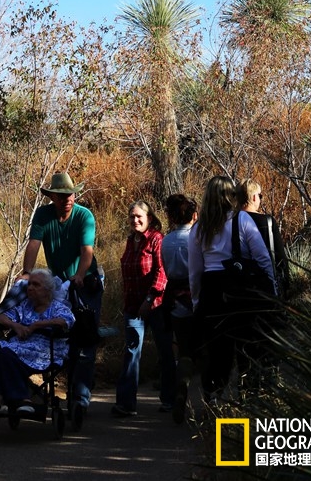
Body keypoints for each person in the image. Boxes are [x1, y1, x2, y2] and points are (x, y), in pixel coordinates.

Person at [19, 171, 102, 420]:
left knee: (84, 337)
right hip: (59, 283)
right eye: (62, 195)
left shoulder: (84, 216)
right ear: (52, 196)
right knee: (58, 335)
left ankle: (80, 397)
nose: (67, 199)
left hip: (85, 281)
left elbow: (86, 250)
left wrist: (79, 274)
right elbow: (33, 244)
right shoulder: (44, 215)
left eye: (70, 194)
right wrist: (27, 273)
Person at [188, 176, 277, 403]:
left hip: (211, 291)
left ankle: (213, 396)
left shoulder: (199, 229)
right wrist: (271, 290)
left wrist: (197, 301)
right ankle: (247, 396)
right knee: (246, 346)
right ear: (231, 196)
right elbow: (262, 257)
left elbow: (195, 271)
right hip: (241, 289)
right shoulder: (242, 220)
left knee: (218, 351)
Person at [0, 268, 75, 415]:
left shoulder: (57, 307)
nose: (30, 288)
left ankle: (21, 399)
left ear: (47, 290)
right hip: (20, 346)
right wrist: (16, 325)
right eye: (29, 285)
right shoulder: (25, 306)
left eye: (36, 285)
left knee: (7, 353)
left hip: (46, 350)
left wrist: (36, 325)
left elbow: (66, 321)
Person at [113, 200, 175, 417]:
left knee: (165, 352)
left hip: (156, 305)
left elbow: (162, 272)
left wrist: (149, 300)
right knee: (131, 352)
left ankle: (170, 400)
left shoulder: (157, 240)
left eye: (139, 216)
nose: (135, 220)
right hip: (133, 307)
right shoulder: (131, 241)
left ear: (149, 218)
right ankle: (126, 404)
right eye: (132, 217)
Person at [161, 194, 198, 424]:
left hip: (175, 300)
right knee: (204, 351)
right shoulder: (195, 240)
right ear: (193, 215)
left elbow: (166, 269)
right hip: (195, 298)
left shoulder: (167, 241)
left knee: (183, 350)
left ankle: (181, 391)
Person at [237, 180, 290, 298]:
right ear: (254, 197)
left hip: (241, 284)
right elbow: (280, 255)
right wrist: (286, 285)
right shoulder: (267, 221)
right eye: (260, 195)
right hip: (266, 284)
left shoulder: (232, 222)